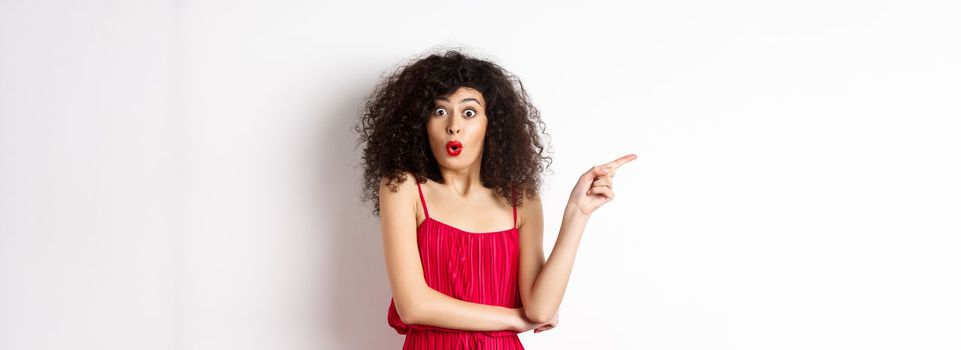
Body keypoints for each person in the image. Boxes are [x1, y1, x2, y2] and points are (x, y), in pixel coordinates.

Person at [355, 49, 636, 349]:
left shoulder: (521, 199)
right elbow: (413, 306)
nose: (454, 126)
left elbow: (540, 309)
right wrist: (513, 319)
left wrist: (577, 213)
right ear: (420, 124)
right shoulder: (403, 187)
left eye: (469, 112)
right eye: (439, 111)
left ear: (492, 124)